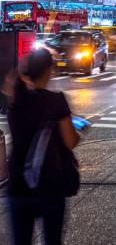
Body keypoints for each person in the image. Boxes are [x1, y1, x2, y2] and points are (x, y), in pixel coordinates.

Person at [5, 48, 80, 245]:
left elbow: (11, 84)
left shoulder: (16, 100)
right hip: (50, 184)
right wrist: (79, 131)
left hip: (19, 184)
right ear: (49, 70)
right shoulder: (56, 101)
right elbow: (70, 141)